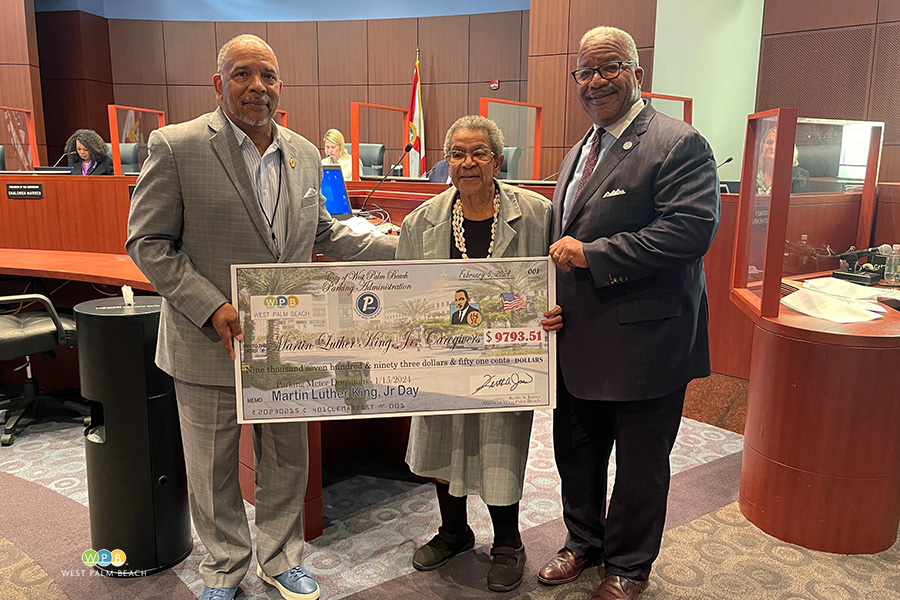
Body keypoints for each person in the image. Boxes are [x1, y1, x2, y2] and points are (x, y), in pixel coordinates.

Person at [126, 34, 396, 600]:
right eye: (243, 74)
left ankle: (279, 558)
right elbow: (148, 242)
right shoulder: (176, 146)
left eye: (268, 75)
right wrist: (212, 305)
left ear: (280, 84)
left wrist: (413, 244)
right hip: (208, 339)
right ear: (219, 83)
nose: (258, 86)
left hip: (286, 345)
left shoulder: (301, 153)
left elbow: (325, 232)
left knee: (285, 460)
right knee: (213, 468)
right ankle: (224, 568)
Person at [541, 26, 719, 600]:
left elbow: (689, 232)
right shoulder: (578, 151)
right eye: (585, 73)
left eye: (609, 67)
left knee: (641, 465)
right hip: (577, 340)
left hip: (648, 341)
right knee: (577, 453)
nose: (595, 82)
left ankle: (628, 565)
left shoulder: (677, 142)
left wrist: (592, 256)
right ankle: (583, 542)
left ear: (637, 72)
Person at [397, 115, 563, 593]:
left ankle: (508, 542)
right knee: (441, 439)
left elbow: (559, 282)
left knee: (498, 443)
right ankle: (454, 532)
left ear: (498, 159)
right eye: (457, 154)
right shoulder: (421, 222)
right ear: (447, 161)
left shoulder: (536, 213)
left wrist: (556, 311)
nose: (467, 163)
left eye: (479, 153)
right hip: (440, 357)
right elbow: (404, 294)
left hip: (507, 361)